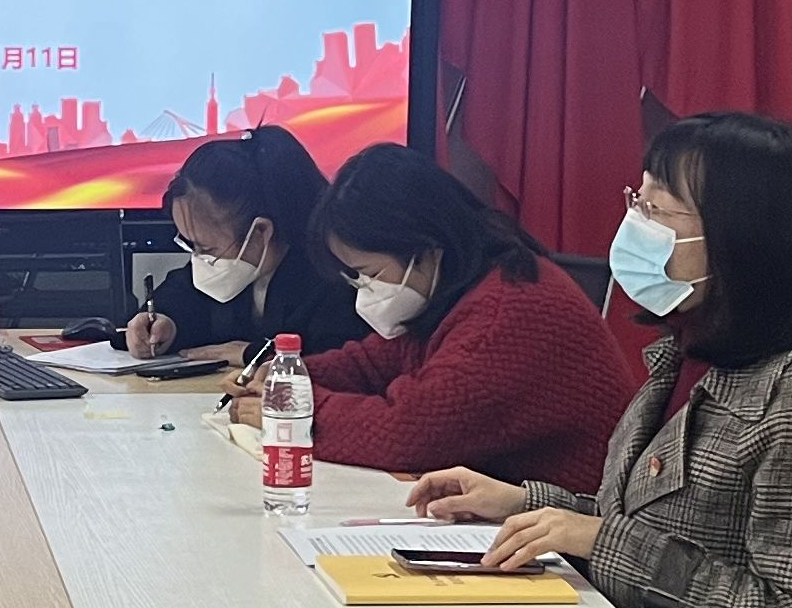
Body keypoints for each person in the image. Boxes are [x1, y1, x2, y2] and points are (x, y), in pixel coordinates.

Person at [410, 112, 792, 608]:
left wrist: (597, 540)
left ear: (744, 237)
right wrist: (526, 503)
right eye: (637, 201)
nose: (635, 224)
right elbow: (657, 524)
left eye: (659, 210)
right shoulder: (692, 352)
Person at [233, 142, 633, 491]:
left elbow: (406, 433)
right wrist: (286, 377)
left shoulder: (508, 312)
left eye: (369, 273)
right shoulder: (460, 288)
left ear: (425, 249)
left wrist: (294, 411)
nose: (363, 287)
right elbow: (374, 363)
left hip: (571, 529)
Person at [119, 124, 361, 362]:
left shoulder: (331, 280)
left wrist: (255, 355)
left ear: (260, 232)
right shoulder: (237, 264)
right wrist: (165, 321)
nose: (200, 260)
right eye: (192, 246)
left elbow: (335, 362)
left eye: (208, 249)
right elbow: (184, 294)